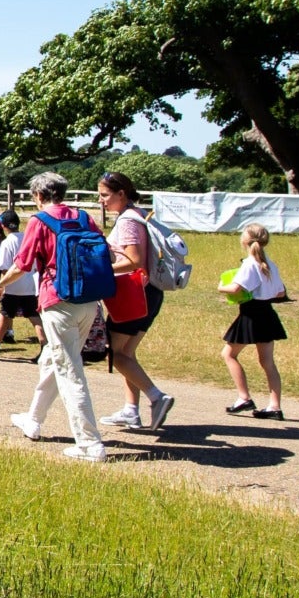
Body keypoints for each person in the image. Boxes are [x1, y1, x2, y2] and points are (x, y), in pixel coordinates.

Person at [5, 171, 113, 462]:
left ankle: (90, 444)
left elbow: (23, 264)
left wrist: (0, 284)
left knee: (70, 372)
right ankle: (34, 419)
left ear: (39, 195)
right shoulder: (83, 217)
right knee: (53, 360)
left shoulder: (39, 221)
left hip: (57, 300)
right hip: (89, 300)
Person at [96, 172, 175, 432]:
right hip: (150, 293)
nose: (101, 200)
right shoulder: (139, 214)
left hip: (134, 296)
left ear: (121, 193)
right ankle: (131, 410)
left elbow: (134, 261)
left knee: (116, 353)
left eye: (105, 195)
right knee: (127, 353)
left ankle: (156, 396)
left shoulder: (128, 221)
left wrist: (102, 271)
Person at [221, 223, 289, 418]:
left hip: (251, 314)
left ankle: (244, 397)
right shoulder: (270, 264)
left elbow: (236, 289)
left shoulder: (249, 264)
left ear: (245, 241)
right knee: (267, 362)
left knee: (228, 354)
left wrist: (221, 287)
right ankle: (275, 406)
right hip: (267, 312)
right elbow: (280, 292)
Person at [0, 209, 37, 350]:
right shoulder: (27, 238)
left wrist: (0, 286)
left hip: (13, 285)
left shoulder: (7, 242)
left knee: (5, 314)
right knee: (33, 315)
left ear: (3, 226)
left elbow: (4, 268)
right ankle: (44, 343)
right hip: (29, 284)